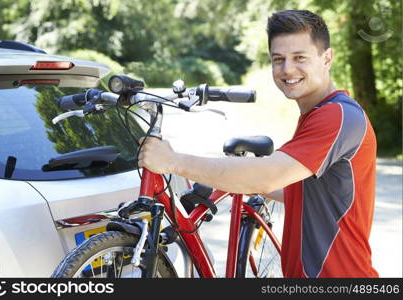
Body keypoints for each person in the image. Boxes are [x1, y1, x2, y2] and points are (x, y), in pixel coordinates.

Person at [138, 10, 378, 278]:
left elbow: (268, 177)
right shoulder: (317, 114)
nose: (287, 69)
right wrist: (229, 178)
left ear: (327, 58)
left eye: (300, 58)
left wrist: (173, 161)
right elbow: (305, 193)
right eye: (279, 59)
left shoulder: (336, 116)